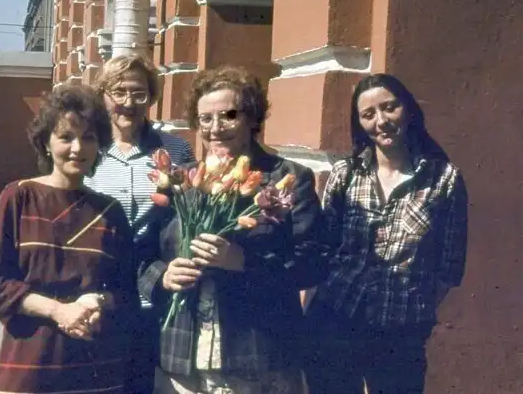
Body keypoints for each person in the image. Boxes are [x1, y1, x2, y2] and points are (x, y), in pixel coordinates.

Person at [154, 66, 326, 394]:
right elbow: (143, 255)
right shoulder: (183, 182)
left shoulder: (287, 178)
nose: (215, 128)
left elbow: (312, 263)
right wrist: (163, 276)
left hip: (258, 359)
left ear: (252, 118)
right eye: (205, 119)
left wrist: (243, 262)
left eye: (228, 115)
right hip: (182, 361)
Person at [304, 73, 468, 394]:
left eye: (389, 107)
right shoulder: (346, 174)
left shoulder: (444, 179)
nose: (381, 121)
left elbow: (449, 267)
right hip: (335, 319)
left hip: (400, 335)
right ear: (359, 123)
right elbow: (322, 248)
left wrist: (411, 307)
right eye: (368, 114)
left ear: (408, 110)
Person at [0, 84, 140, 394]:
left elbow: (128, 292)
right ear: (46, 143)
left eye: (88, 138)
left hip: (96, 369)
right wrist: (57, 311)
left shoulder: (110, 211)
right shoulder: (18, 197)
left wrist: (98, 300)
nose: (77, 148)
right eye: (66, 137)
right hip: (30, 365)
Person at [86, 53, 195, 394]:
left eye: (139, 93)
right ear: (103, 95)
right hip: (97, 290)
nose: (128, 102)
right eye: (118, 92)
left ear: (151, 97)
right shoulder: (87, 147)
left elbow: (188, 214)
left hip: (155, 294)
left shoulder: (174, 150)